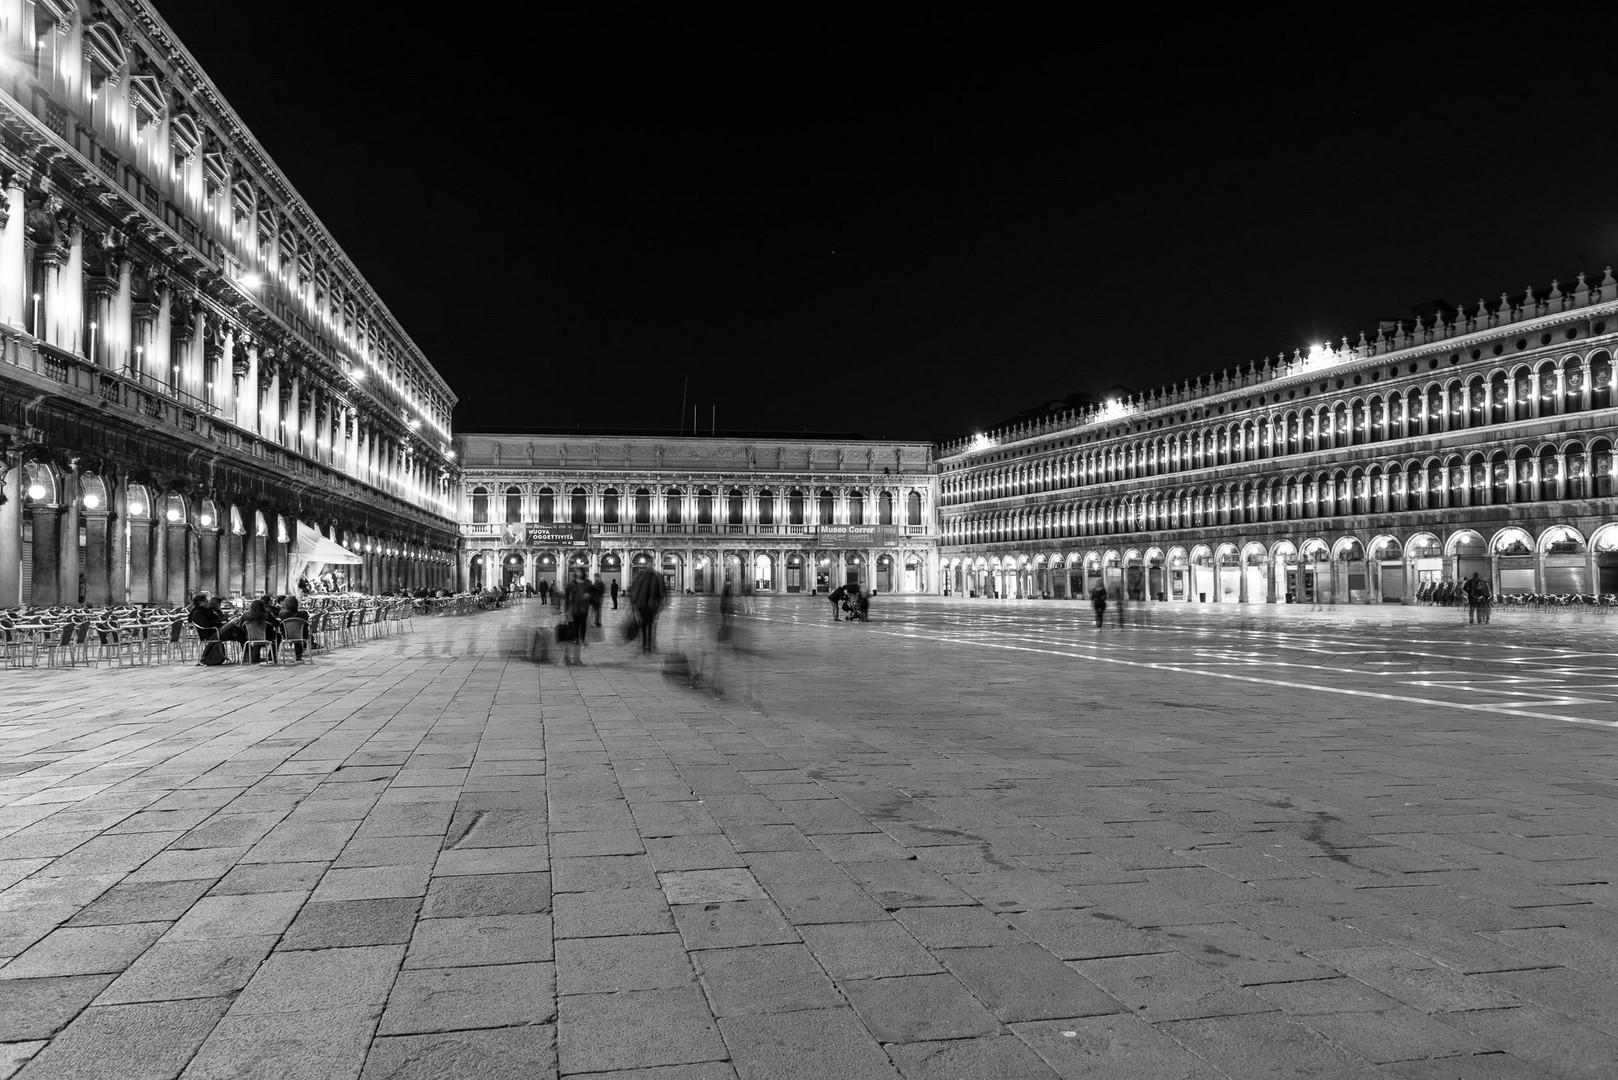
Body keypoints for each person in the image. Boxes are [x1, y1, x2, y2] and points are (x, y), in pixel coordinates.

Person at [628, 566, 665, 653]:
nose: (649, 566)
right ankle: (645, 644)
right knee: (644, 625)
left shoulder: (654, 577)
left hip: (650, 606)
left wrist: (658, 602)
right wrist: (634, 604)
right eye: (648, 564)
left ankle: (648, 644)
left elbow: (658, 592)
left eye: (650, 564)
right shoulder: (643, 577)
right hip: (642, 605)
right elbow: (635, 591)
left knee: (649, 626)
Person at [563, 570, 591, 665]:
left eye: (580, 571)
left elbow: (595, 594)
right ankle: (569, 656)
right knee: (573, 631)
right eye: (577, 572)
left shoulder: (587, 584)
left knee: (581, 631)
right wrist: (566, 610)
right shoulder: (571, 585)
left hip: (584, 610)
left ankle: (577, 658)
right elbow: (567, 598)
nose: (579, 573)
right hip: (573, 610)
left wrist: (589, 596)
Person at [280, 595, 309, 660]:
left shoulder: (282, 614)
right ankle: (299, 653)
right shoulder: (303, 614)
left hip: (287, 635)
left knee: (293, 631)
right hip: (302, 635)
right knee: (297, 630)